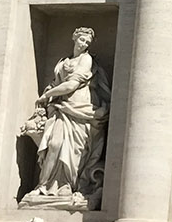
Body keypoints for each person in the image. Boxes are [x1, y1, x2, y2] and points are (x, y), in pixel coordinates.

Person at [22, 28, 110, 202]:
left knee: (74, 148)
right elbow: (57, 82)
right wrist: (49, 95)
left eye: (87, 42)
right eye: (82, 40)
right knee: (54, 144)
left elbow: (71, 85)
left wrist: (47, 95)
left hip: (79, 107)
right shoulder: (63, 61)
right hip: (60, 107)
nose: (84, 44)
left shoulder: (86, 59)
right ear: (74, 38)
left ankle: (67, 185)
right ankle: (46, 186)